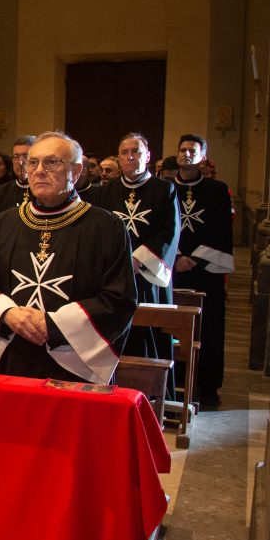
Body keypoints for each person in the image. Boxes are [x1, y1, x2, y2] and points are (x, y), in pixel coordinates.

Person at [0, 131, 137, 384]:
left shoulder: (107, 227)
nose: (39, 171)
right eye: (32, 163)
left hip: (75, 363)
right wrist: (7, 314)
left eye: (52, 162)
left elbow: (118, 300)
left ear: (77, 171)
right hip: (13, 358)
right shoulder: (4, 222)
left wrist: (54, 325)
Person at [96, 133, 180, 370]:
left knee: (150, 333)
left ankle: (153, 392)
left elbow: (170, 231)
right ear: (119, 158)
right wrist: (119, 261)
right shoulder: (106, 191)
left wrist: (138, 259)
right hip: (114, 276)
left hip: (147, 277)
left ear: (148, 156)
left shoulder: (165, 190)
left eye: (136, 152)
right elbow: (99, 232)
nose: (130, 157)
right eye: (125, 153)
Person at [174, 133, 234, 407]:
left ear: (203, 157)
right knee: (172, 326)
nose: (187, 154)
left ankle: (208, 386)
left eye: (192, 151)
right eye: (183, 150)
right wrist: (175, 257)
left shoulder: (217, 190)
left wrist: (194, 259)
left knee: (208, 326)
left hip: (205, 271)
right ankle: (173, 382)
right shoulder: (164, 188)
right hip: (171, 268)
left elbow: (223, 229)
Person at [0, 135, 36, 223]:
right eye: (16, 157)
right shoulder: (1, 192)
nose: (20, 162)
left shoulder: (43, 191)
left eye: (25, 156)